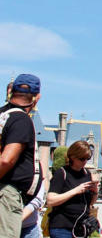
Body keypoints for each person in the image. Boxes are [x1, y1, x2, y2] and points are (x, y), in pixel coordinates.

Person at [0, 74, 42, 238]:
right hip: (6, 193)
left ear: (11, 92)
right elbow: (6, 160)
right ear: (36, 97)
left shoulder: (3, 115)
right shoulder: (20, 119)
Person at [46, 141, 97, 238]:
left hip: (81, 228)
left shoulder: (87, 174)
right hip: (62, 227)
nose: (85, 162)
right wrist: (75, 191)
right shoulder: (62, 173)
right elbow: (50, 200)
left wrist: (95, 191)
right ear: (73, 156)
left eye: (87, 159)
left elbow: (90, 203)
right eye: (82, 159)